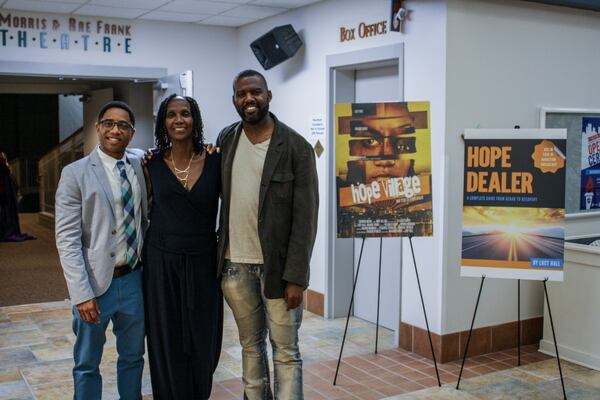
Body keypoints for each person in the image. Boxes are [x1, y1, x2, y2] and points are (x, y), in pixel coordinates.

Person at [217, 69, 319, 399]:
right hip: (235, 266)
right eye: (242, 93)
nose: (250, 99)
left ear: (268, 96)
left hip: (278, 271)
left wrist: (296, 278)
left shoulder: (296, 147)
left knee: (286, 353)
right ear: (234, 99)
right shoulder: (226, 140)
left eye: (256, 92)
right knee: (250, 348)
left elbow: (306, 220)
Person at [55, 101, 147, 400]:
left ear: (132, 133)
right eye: (109, 123)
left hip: (134, 280)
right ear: (97, 128)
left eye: (123, 125)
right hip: (94, 285)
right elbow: (67, 240)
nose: (115, 130)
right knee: (86, 364)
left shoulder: (141, 163)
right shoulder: (75, 173)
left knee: (133, 358)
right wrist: (81, 294)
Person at [143, 94, 222, 399]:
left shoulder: (215, 159)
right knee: (166, 340)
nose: (179, 120)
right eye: (171, 114)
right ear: (163, 121)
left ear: (195, 119)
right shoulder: (150, 163)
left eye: (185, 114)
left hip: (204, 262)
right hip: (161, 262)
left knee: (204, 339)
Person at [0, 151, 34, 241]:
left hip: (4, 190)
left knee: (5, 212)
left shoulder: (2, 161)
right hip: (5, 189)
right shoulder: (3, 161)